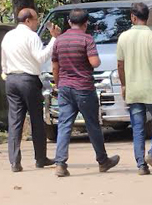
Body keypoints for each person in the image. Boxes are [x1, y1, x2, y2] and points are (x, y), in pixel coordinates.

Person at [52, 9, 120, 177]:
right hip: (83, 88)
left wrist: (59, 83)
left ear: (69, 22)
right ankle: (103, 161)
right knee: (92, 125)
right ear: (86, 23)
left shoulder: (59, 41)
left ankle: (60, 164)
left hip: (65, 88)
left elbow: (55, 66)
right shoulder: (87, 39)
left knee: (64, 126)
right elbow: (95, 62)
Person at [1, 8, 61, 172]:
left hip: (11, 80)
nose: (37, 23)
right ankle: (40, 158)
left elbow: (4, 62)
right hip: (28, 80)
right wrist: (54, 40)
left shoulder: (8, 36)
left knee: (14, 121)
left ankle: (14, 161)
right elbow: (41, 57)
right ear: (28, 20)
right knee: (36, 120)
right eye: (35, 20)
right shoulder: (31, 36)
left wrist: (7, 74)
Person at [116, 2, 152, 175]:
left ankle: (141, 166)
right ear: (147, 18)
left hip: (133, 90)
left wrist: (124, 85)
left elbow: (120, 65)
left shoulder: (123, 37)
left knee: (137, 128)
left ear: (132, 17)